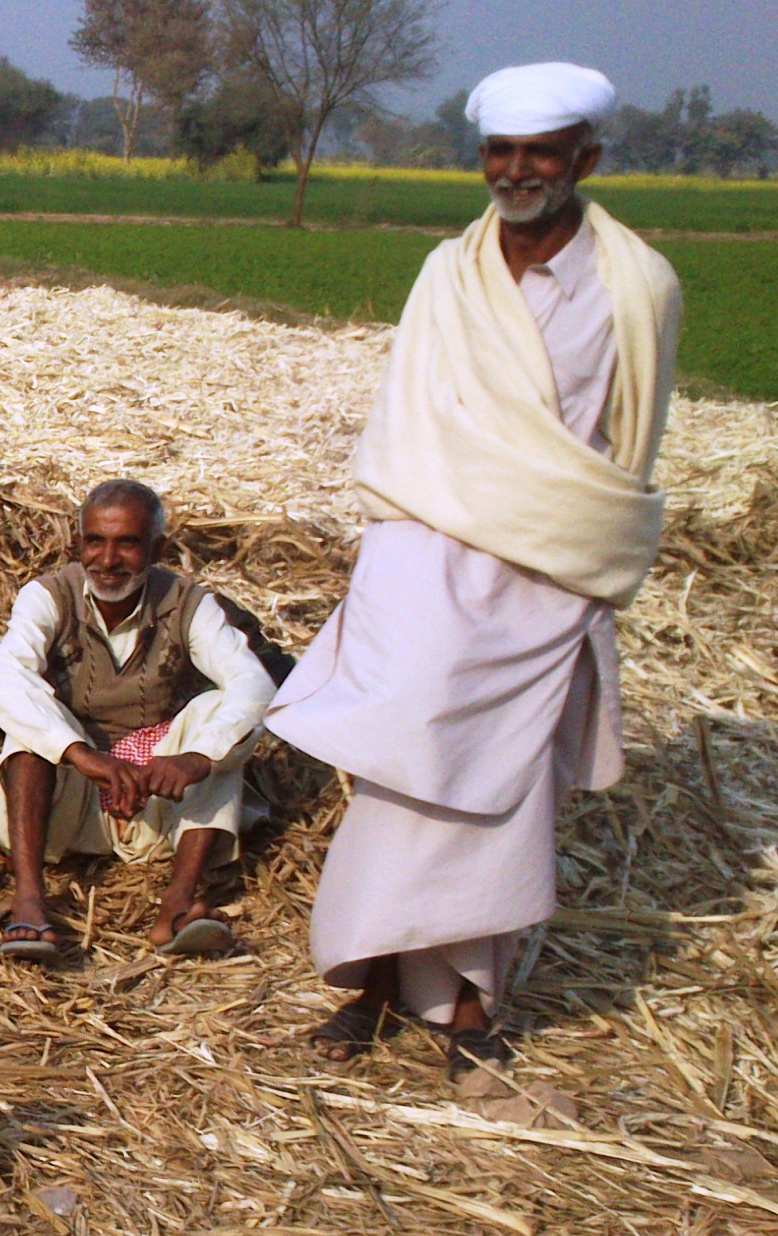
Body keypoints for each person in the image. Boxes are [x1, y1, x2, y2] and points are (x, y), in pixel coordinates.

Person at [265, 63, 681, 1080]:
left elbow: (627, 448)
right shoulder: (446, 275)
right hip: (426, 564)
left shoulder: (638, 287)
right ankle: (367, 980)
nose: (517, 170)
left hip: (541, 577)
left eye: (541, 152)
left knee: (504, 791)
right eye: (501, 152)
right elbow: (406, 429)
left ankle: (469, 1007)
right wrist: (390, 571)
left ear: (584, 158)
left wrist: (583, 559)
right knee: (399, 771)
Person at [0, 480, 279, 962]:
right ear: (77, 545)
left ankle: (177, 905)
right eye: (95, 541)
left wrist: (196, 759)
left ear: (157, 549)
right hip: (63, 807)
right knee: (28, 725)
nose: (108, 559)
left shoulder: (187, 603)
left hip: (154, 804)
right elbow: (4, 680)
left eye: (128, 543)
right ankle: (30, 901)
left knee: (216, 715)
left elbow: (254, 686)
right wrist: (83, 755)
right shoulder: (49, 597)